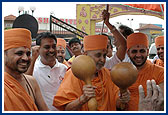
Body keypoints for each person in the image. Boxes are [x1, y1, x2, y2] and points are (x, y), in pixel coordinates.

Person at [53, 35, 130, 111]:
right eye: (98, 55)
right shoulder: (74, 74)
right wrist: (83, 99)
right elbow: (66, 109)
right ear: (86, 55)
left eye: (104, 55)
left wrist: (122, 100)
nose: (102, 60)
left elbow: (116, 103)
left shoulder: (107, 74)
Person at [4, 28, 48, 111]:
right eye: (19, 53)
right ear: (4, 55)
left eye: (28, 53)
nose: (25, 58)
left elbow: (45, 110)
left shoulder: (31, 82)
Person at [126, 32, 164, 111]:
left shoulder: (161, 72)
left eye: (142, 51)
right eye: (134, 51)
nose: (138, 55)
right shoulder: (122, 74)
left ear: (147, 52)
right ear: (128, 53)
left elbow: (162, 101)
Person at [33, 32, 67, 111]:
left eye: (54, 47)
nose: (51, 50)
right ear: (38, 49)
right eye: (47, 47)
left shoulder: (64, 69)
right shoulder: (34, 70)